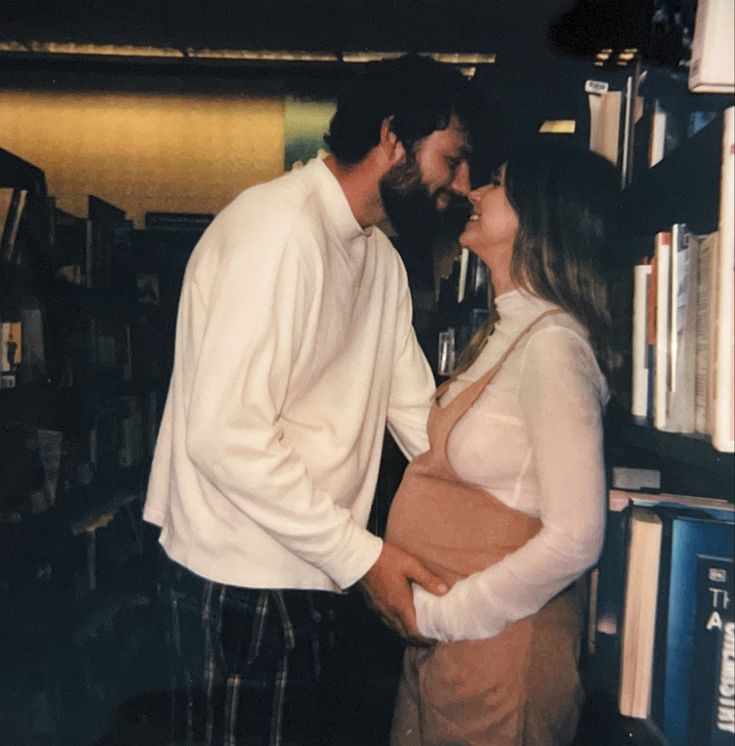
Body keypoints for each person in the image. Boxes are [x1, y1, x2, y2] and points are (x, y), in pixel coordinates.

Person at [143, 54, 478, 745]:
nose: (460, 184)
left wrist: (495, 508)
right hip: (239, 573)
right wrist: (361, 557)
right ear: (393, 138)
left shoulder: (375, 255)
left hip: (313, 565)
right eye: (451, 157)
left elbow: (414, 414)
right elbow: (223, 436)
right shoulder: (276, 232)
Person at [386, 140, 621, 746]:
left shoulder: (553, 347)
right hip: (454, 651)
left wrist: (443, 615)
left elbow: (576, 537)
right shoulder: (506, 329)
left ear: (540, 217)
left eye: (499, 185)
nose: (475, 191)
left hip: (499, 651)